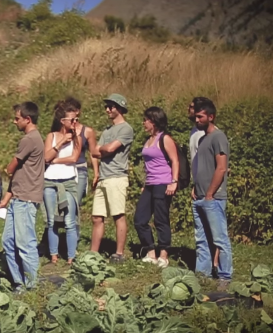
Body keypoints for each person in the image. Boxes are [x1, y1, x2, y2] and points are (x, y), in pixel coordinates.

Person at [0, 102, 44, 292]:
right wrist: (7, 197)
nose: (14, 121)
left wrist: (6, 170)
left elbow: (12, 167)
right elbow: (20, 172)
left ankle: (32, 285)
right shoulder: (32, 138)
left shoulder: (29, 139)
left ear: (28, 119)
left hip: (25, 199)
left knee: (25, 243)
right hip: (18, 197)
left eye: (17, 118)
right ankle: (19, 283)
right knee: (8, 241)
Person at [191, 100, 232, 290]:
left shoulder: (218, 137)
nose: (196, 119)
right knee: (202, 239)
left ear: (211, 117)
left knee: (219, 238)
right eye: (196, 116)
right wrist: (196, 188)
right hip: (199, 196)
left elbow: (221, 167)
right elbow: (202, 167)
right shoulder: (201, 139)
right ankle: (203, 274)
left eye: (200, 116)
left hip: (213, 198)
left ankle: (225, 276)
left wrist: (209, 193)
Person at [90, 93, 134, 264]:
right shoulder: (108, 130)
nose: (107, 110)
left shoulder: (125, 129)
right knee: (97, 217)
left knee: (118, 215)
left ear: (120, 108)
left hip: (116, 176)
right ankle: (93, 253)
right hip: (103, 177)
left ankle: (119, 253)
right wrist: (104, 149)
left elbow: (110, 148)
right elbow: (95, 151)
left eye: (111, 106)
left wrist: (104, 148)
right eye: (106, 107)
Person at [134, 107, 179, 268]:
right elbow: (149, 165)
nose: (143, 123)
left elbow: (174, 160)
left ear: (154, 121)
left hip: (163, 183)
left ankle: (164, 255)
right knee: (140, 219)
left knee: (161, 219)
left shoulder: (164, 138)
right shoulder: (148, 140)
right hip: (150, 184)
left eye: (146, 120)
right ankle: (150, 252)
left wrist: (174, 181)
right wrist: (146, 183)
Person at [43, 101, 81, 265]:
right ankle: (54, 256)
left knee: (69, 221)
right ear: (62, 121)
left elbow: (74, 158)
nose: (75, 123)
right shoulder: (51, 136)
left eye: (76, 119)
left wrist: (56, 159)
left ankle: (71, 257)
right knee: (52, 220)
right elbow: (45, 157)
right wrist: (60, 143)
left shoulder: (77, 138)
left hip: (69, 181)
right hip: (50, 181)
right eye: (72, 120)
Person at [188, 97, 220, 269]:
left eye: (194, 108)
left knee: (215, 229)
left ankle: (217, 263)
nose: (190, 111)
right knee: (201, 230)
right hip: (198, 184)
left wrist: (210, 190)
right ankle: (204, 268)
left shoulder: (211, 134)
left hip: (211, 187)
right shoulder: (195, 132)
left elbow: (219, 164)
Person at [66, 96, 99, 205]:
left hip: (80, 169)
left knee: (75, 204)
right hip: (64, 168)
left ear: (78, 111)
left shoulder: (87, 131)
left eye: (72, 110)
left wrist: (96, 173)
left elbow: (93, 153)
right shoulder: (62, 130)